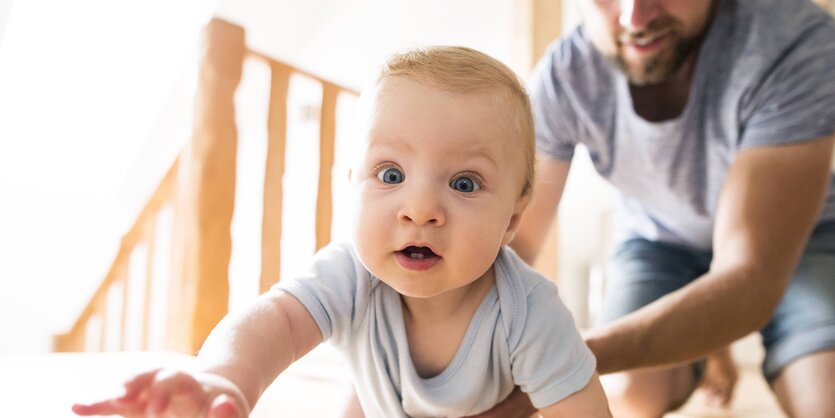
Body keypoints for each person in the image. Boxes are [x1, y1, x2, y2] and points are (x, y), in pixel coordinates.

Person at [71, 46, 612, 418]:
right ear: (351, 186)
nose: (420, 208)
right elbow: (275, 321)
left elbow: (580, 405)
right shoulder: (350, 272)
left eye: (465, 183)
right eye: (391, 175)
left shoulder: (529, 312)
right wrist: (227, 380)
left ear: (512, 221)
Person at [481, 0, 835, 417]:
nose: (636, 17)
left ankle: (707, 343)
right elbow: (508, 246)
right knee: (627, 391)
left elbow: (747, 276)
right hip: (658, 239)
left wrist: (560, 363)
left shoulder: (795, 43)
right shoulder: (566, 73)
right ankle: (704, 349)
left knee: (825, 397)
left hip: (800, 238)